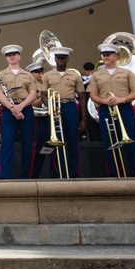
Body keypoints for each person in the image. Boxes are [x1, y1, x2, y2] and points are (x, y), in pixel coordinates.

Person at [87, 43, 135, 177]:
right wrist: (104, 101)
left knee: (130, 141)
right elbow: (92, 94)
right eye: (104, 55)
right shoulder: (96, 75)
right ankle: (114, 173)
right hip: (106, 109)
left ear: (116, 56)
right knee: (109, 142)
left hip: (124, 108)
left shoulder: (127, 73)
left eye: (108, 54)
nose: (105, 57)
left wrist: (122, 98)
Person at [40, 46, 85, 179]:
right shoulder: (47, 75)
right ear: (55, 59)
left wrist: (84, 119)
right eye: (58, 58)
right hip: (54, 108)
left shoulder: (75, 75)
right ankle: (57, 173)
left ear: (67, 59)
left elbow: (82, 97)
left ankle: (73, 173)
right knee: (55, 141)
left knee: (72, 141)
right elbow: (43, 94)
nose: (60, 60)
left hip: (70, 107)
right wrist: (51, 107)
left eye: (63, 58)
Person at [0, 46, 38, 179]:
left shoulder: (28, 74)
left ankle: (26, 176)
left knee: (28, 144)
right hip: (9, 110)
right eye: (9, 55)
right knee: (7, 144)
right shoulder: (0, 75)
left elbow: (33, 93)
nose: (12, 57)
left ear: (19, 56)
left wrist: (21, 106)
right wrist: (13, 108)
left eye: (14, 54)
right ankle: (4, 177)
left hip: (25, 109)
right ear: (6, 58)